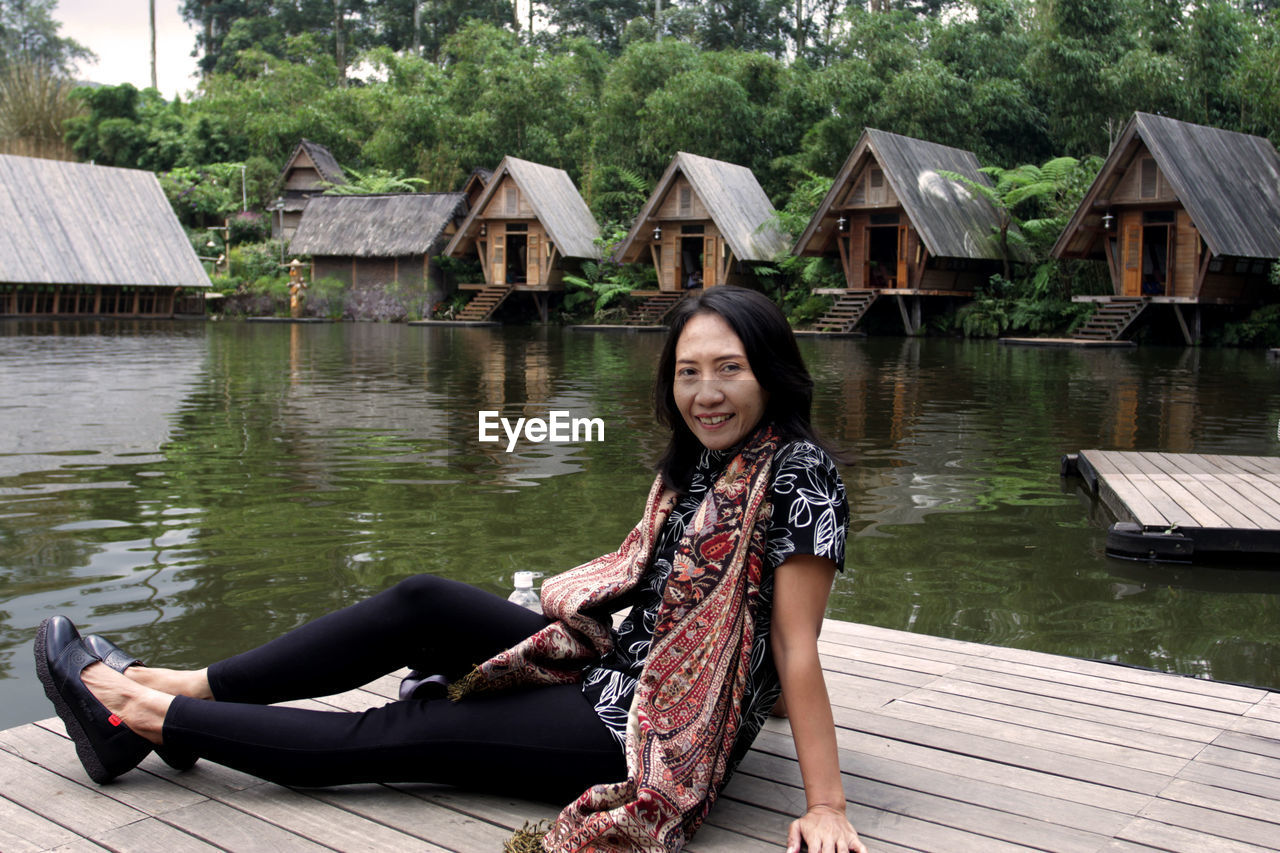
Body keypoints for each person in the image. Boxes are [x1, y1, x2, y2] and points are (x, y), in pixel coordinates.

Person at [35, 285, 867, 853]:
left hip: (647, 735)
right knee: (423, 602)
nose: (706, 391)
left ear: (771, 371)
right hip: (616, 672)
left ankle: (136, 715)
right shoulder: (699, 465)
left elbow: (795, 647)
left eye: (729, 368)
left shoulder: (798, 474)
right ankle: (187, 684)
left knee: (406, 734)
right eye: (689, 371)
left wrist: (825, 804)